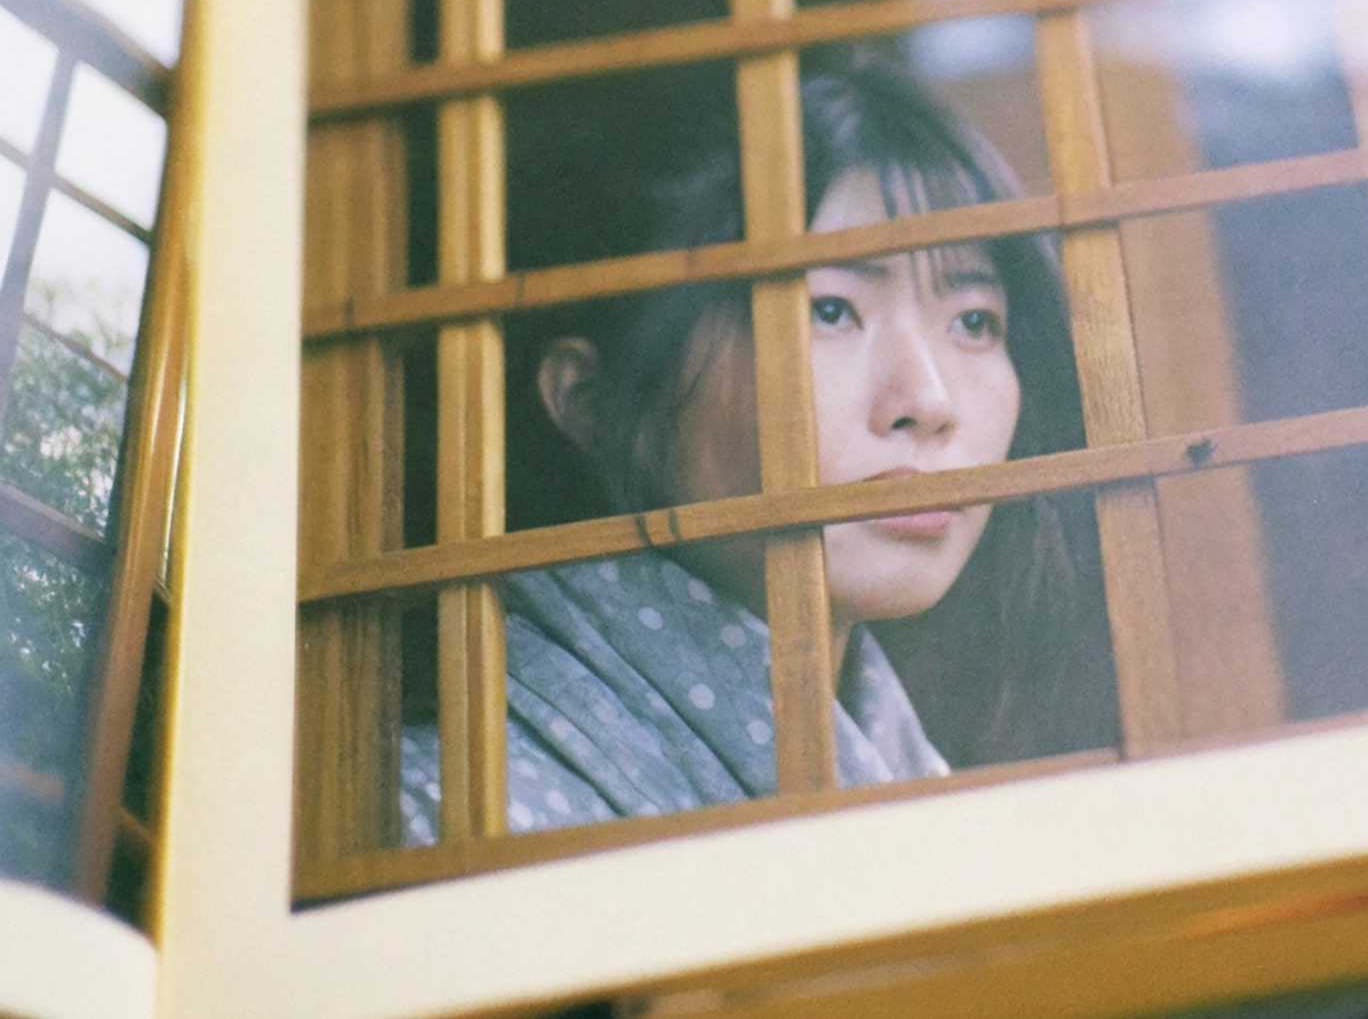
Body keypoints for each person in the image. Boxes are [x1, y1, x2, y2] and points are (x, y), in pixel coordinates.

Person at [399, 58, 1118, 844]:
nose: (930, 401)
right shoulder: (458, 814)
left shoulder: (898, 765)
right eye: (831, 309)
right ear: (595, 403)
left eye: (975, 321)